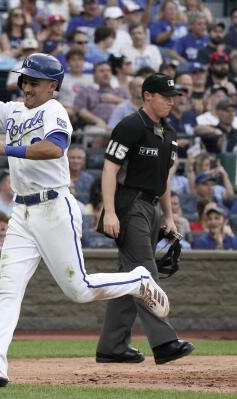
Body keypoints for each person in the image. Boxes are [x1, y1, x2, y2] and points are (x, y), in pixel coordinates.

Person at [0, 27, 170, 388]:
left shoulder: (55, 111)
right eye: (25, 80)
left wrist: (7, 149)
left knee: (79, 290)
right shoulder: (13, 111)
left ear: (52, 86)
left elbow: (53, 148)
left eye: (35, 82)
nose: (27, 86)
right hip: (22, 214)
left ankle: (138, 279)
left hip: (54, 208)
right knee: (9, 287)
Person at [96, 73, 194, 366]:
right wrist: (110, 212)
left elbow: (163, 179)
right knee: (144, 272)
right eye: (165, 96)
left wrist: (169, 217)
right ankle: (164, 343)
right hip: (129, 205)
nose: (171, 101)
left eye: (173, 96)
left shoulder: (169, 133)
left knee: (128, 280)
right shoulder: (130, 125)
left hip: (150, 208)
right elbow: (109, 170)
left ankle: (112, 346)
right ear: (147, 96)